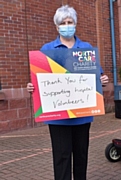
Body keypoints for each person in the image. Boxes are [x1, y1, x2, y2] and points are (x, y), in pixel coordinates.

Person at [27, 5, 109, 180]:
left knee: (81, 156)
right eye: (63, 23)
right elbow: (40, 80)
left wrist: (102, 79)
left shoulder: (86, 48)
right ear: (57, 27)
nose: (67, 25)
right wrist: (32, 87)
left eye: (70, 22)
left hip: (82, 114)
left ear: (75, 24)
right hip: (58, 116)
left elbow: (96, 76)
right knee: (61, 157)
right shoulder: (47, 49)